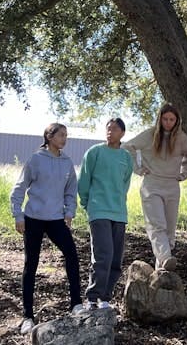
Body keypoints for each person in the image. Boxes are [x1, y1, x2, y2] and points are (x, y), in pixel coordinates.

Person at [10, 122, 81, 335]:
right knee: (31, 264)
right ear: (49, 137)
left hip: (56, 219)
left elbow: (71, 190)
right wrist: (18, 215)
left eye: (66, 135)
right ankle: (28, 316)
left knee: (72, 254)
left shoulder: (67, 162)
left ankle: (76, 304)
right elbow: (19, 188)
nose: (65, 139)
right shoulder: (36, 159)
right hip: (33, 218)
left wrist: (69, 212)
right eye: (61, 135)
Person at [123, 102, 187, 271]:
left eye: (172, 119)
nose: (168, 122)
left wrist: (183, 174)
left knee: (170, 229)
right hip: (152, 184)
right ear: (160, 119)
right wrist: (138, 168)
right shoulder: (149, 134)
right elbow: (127, 147)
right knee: (157, 225)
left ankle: (162, 269)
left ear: (177, 121)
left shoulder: (181, 137)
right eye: (165, 119)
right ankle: (165, 258)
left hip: (172, 185)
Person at [77, 117, 134, 310]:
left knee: (116, 258)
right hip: (98, 210)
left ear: (122, 133)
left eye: (115, 129)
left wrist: (118, 202)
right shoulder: (94, 152)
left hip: (118, 213)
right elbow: (84, 180)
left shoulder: (126, 158)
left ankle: (105, 298)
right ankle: (92, 297)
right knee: (103, 255)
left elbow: (125, 184)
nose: (110, 131)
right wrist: (88, 205)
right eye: (108, 128)